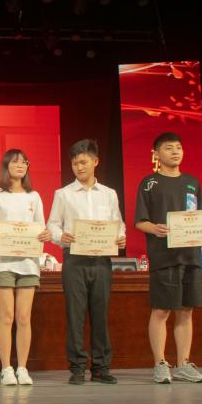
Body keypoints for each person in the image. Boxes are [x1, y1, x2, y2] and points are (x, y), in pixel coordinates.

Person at [47, 139, 126, 385]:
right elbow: (52, 225)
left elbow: (118, 223)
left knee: (100, 315)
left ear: (95, 161)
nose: (79, 167)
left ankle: (101, 367)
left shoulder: (109, 194)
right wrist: (61, 236)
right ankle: (78, 367)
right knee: (76, 315)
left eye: (83, 162)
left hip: (101, 260)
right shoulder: (63, 194)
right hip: (75, 260)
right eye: (74, 163)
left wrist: (121, 236)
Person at [134, 132, 202, 384]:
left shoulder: (192, 182)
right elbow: (140, 221)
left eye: (178, 147)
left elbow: (200, 218)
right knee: (161, 310)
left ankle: (183, 364)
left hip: (191, 255)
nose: (175, 152)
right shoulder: (149, 183)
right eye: (168, 148)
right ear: (156, 154)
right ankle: (160, 363)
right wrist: (154, 228)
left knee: (186, 310)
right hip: (163, 256)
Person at [0, 149, 51, 386]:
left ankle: (22, 368)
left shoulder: (34, 197)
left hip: (28, 263)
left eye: (24, 162)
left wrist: (45, 235)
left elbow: (41, 228)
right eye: (15, 162)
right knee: (7, 316)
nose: (20, 165)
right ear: (6, 166)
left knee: (23, 317)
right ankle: (6, 368)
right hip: (2, 262)